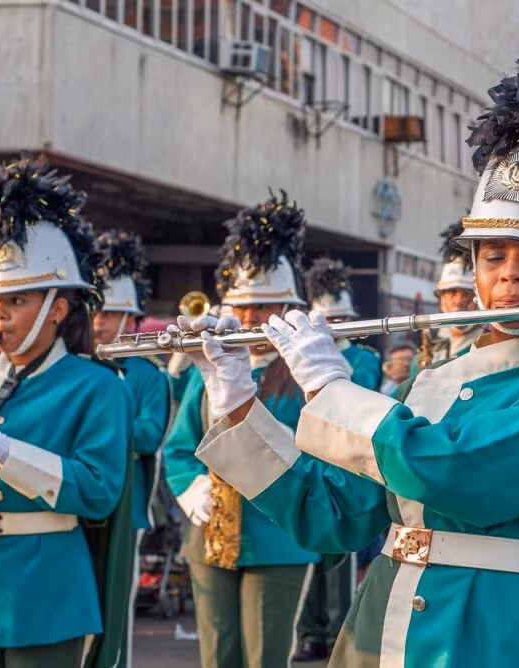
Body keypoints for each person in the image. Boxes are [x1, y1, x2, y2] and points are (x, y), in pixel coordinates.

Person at [191, 43, 519, 667]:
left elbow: (457, 471)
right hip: (378, 628)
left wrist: (331, 387)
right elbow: (331, 515)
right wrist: (239, 404)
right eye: (492, 257)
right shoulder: (435, 380)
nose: (509, 277)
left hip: (486, 638)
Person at [0, 156, 131, 667]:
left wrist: (5, 449)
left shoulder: (97, 386)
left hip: (48, 593)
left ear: (59, 308)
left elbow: (99, 492)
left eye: (17, 300)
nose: (0, 315)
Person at [162, 191, 321, 668]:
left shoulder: (304, 374)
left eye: (263, 307)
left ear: (287, 308)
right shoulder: (203, 370)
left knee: (265, 655)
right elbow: (179, 445)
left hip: (278, 534)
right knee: (217, 654)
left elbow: (321, 452)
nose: (250, 320)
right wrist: (189, 489)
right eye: (244, 308)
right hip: (212, 531)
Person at [294, 257, 381, 662]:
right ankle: (311, 631)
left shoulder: (363, 358)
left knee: (340, 562)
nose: (336, 325)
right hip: (312, 457)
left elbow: (358, 395)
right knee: (311, 553)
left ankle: (335, 629)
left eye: (341, 318)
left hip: (344, 461)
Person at [92, 229, 172, 668]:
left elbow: (147, 436)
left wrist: (100, 426)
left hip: (129, 503)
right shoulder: (83, 366)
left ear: (129, 318)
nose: (98, 322)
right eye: (95, 313)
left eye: (107, 314)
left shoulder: (147, 375)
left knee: (115, 607)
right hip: (83, 500)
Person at [412, 222, 481, 371]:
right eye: (451, 292)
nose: (458, 300)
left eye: (467, 292)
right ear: (441, 299)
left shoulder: (493, 347)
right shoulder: (422, 355)